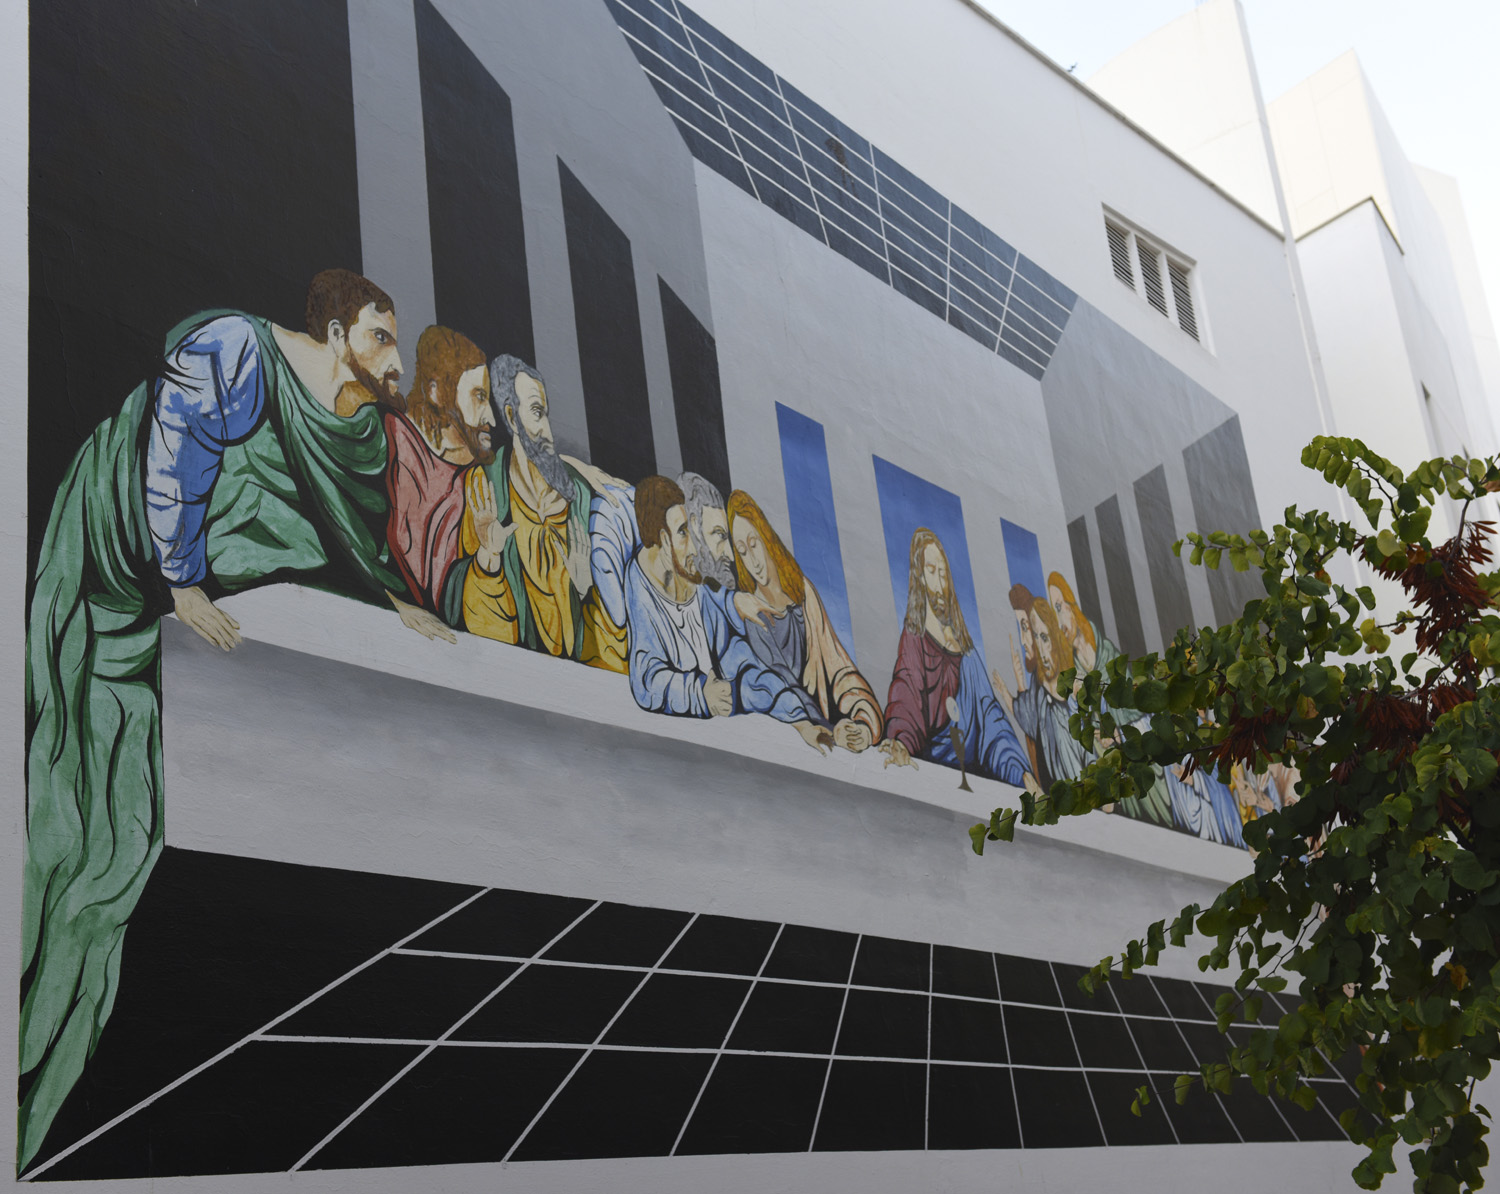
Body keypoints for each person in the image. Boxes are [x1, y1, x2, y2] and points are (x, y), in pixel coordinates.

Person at [23, 269, 440, 1169]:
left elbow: (334, 528)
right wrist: (182, 582)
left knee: (119, 850)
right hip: (125, 540)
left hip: (186, 562)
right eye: (380, 337)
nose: (394, 359)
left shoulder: (353, 425)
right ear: (337, 335)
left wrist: (387, 599)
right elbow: (175, 444)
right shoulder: (239, 352)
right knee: (81, 813)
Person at [623, 476, 831, 752]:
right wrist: (700, 694)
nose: (695, 547)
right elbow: (646, 680)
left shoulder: (702, 594)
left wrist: (801, 722)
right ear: (663, 539)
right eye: (683, 533)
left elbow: (747, 669)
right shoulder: (640, 593)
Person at [457, 355, 627, 670]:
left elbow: (613, 653)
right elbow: (484, 639)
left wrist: (587, 592)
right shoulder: (486, 489)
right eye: (537, 412)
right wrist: (489, 560)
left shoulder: (581, 499)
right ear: (511, 416)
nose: (548, 431)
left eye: (546, 414)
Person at [725, 490, 883, 752]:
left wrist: (863, 724)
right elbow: (784, 687)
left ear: (767, 538)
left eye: (754, 544)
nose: (753, 561)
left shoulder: (803, 593)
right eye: (742, 552)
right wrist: (834, 733)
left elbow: (839, 670)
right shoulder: (754, 616)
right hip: (799, 742)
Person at [878, 529, 1030, 787]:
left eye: (943, 573)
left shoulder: (967, 652)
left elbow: (990, 715)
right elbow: (906, 691)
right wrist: (901, 741)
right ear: (919, 576)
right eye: (931, 571)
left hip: (974, 782)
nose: (940, 584)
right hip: (932, 778)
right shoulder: (915, 638)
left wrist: (1021, 773)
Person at [382, 325, 493, 636]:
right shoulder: (393, 440)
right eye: (479, 396)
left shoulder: (478, 482)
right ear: (435, 392)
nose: (490, 418)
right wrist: (393, 602)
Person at [997, 597, 1089, 790]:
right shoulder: (1038, 685)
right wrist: (1009, 688)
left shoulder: (1073, 683)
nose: (1040, 646)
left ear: (1054, 638)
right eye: (1036, 637)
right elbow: (1027, 718)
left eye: (1044, 638)